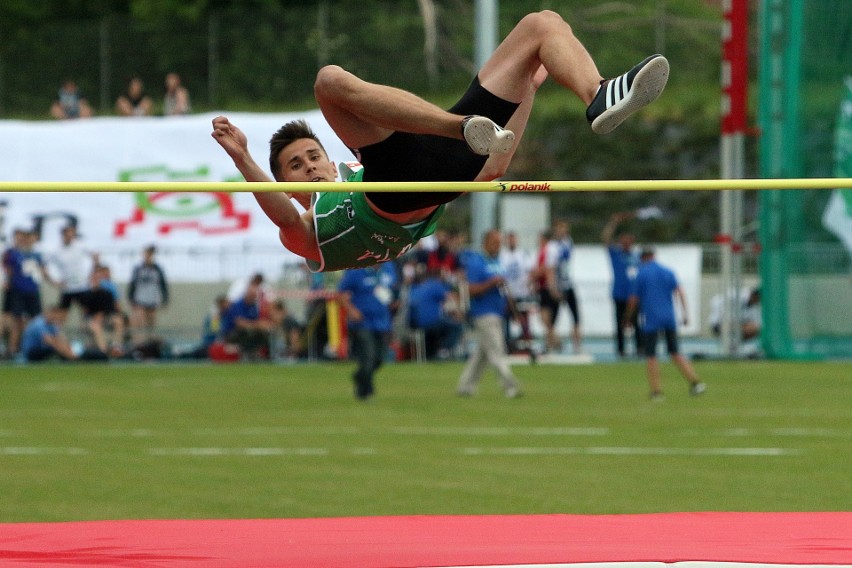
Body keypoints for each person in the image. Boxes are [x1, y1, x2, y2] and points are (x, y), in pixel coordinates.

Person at [211, 10, 669, 272]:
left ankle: (598, 94)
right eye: (296, 167)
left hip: (447, 163)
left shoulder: (352, 170)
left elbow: (491, 168)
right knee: (328, 80)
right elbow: (282, 215)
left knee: (542, 25)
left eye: (314, 156)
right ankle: (460, 126)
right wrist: (243, 158)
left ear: (334, 164)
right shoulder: (309, 236)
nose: (310, 166)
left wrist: (527, 83)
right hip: (399, 187)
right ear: (286, 187)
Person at [625, 248, 706, 401]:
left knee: (651, 356)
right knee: (675, 352)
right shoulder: (668, 271)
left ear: (642, 258)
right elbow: (680, 292)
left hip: (651, 320)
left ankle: (656, 391)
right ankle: (695, 382)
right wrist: (685, 314)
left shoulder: (641, 274)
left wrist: (628, 318)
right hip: (669, 318)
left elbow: (633, 300)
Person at [456, 229, 523, 399]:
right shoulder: (477, 262)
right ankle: (510, 386)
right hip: (483, 312)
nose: (498, 245)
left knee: (482, 354)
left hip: (497, 311)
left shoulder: (497, 261)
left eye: (499, 242)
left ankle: (466, 386)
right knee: (496, 351)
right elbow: (469, 290)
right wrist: (490, 283)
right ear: (485, 242)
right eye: (495, 242)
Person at [338, 267, 393, 400]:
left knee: (379, 358)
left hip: (382, 321)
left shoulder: (388, 268)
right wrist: (352, 311)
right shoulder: (356, 270)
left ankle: (359, 376)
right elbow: (341, 294)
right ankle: (365, 391)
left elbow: (391, 289)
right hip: (362, 322)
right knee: (368, 357)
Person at [2, 229, 54, 357]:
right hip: (18, 291)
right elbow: (7, 269)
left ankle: (29, 349)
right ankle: (12, 350)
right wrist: (6, 281)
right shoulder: (13, 253)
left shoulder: (37, 255)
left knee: (35, 321)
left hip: (33, 291)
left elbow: (43, 271)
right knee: (16, 321)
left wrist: (55, 282)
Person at [601, 211, 641, 358]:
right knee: (619, 324)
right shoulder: (616, 254)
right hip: (619, 294)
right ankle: (621, 349)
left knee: (636, 323)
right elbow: (605, 239)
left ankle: (640, 347)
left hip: (633, 295)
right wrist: (614, 223)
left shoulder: (636, 256)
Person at [47, 225, 97, 320]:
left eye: (72, 235)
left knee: (87, 314)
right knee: (61, 315)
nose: (70, 238)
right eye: (67, 235)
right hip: (67, 288)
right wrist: (54, 281)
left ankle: (87, 331)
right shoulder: (56, 251)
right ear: (63, 235)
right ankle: (58, 334)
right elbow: (44, 266)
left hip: (82, 286)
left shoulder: (80, 246)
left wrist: (92, 275)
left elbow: (95, 257)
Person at [498, 230, 535, 354]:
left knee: (524, 319)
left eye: (513, 239)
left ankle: (526, 342)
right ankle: (506, 343)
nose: (512, 242)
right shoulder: (502, 255)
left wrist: (530, 288)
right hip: (507, 294)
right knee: (506, 319)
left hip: (521, 293)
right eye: (509, 239)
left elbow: (530, 272)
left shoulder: (523, 254)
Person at [127, 245, 169, 343]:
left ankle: (150, 343)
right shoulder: (138, 269)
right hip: (140, 299)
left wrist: (165, 298)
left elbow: (163, 285)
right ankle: (139, 342)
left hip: (152, 299)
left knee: (151, 324)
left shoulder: (157, 269)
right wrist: (131, 298)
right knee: (140, 322)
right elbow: (133, 284)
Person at [552, 219, 582, 353]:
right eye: (559, 229)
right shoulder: (552, 246)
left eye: (563, 229)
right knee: (553, 318)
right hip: (557, 285)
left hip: (568, 284)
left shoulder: (567, 242)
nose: (562, 232)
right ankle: (553, 343)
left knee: (576, 317)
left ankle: (577, 346)